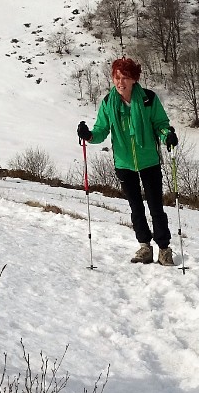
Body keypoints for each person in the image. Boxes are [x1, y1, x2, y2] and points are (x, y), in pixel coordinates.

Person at [77, 56, 179, 265]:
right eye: (116, 77)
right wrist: (88, 135)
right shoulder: (108, 102)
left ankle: (164, 248)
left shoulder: (148, 99)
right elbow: (101, 130)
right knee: (136, 207)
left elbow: (160, 123)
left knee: (155, 206)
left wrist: (167, 134)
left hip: (149, 160)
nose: (120, 82)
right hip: (123, 162)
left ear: (134, 79)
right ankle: (144, 247)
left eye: (124, 77)